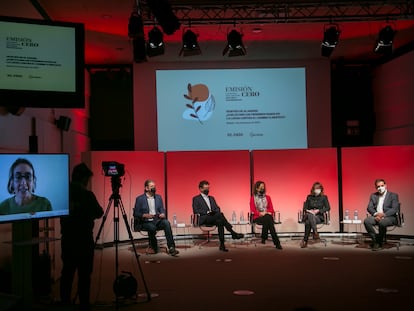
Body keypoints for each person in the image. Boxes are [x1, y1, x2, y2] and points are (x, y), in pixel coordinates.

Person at [59, 163, 104, 311]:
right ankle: (84, 304)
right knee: (84, 275)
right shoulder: (87, 195)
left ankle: (65, 302)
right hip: (84, 240)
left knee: (67, 272)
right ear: (84, 178)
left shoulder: (63, 193)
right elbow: (99, 212)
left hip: (68, 239)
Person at [192, 180, 244, 252]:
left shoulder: (211, 198)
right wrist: (207, 212)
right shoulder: (196, 199)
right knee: (220, 215)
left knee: (220, 221)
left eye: (208, 188)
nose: (207, 190)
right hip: (204, 219)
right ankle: (233, 233)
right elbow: (196, 211)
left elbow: (217, 208)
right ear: (200, 189)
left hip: (213, 217)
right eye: (205, 188)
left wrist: (214, 212)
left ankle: (222, 245)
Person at [133, 179, 179, 256]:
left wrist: (162, 213)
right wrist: (144, 215)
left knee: (166, 223)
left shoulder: (158, 197)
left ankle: (171, 247)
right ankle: (153, 247)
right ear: (146, 188)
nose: (154, 188)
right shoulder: (140, 199)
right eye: (152, 186)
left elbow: (162, 209)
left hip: (156, 220)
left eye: (154, 186)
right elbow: (135, 213)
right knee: (152, 227)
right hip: (145, 221)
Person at [363, 178, 400, 251]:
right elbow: (369, 207)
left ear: (385, 186)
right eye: (378, 187)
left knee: (382, 222)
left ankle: (379, 243)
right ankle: (376, 241)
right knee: (367, 221)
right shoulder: (373, 195)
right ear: (376, 188)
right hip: (376, 216)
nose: (380, 188)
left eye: (382, 186)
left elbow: (394, 209)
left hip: (389, 217)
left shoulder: (393, 195)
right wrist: (376, 214)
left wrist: (383, 215)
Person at [249, 181, 282, 249]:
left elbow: (272, 209)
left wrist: (266, 212)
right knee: (269, 219)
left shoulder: (268, 197)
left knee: (267, 218)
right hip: (257, 217)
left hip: (267, 216)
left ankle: (265, 238)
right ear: (257, 188)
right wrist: (260, 213)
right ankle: (276, 242)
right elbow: (252, 210)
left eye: (263, 187)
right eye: (261, 187)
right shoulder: (253, 198)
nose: (263, 188)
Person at [300, 181, 331, 248]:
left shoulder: (324, 197)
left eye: (319, 189)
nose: (317, 190)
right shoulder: (309, 197)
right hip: (310, 214)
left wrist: (319, 210)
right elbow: (305, 208)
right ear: (313, 189)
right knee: (310, 216)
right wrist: (310, 211)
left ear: (321, 189)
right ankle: (315, 232)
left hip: (319, 217)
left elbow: (328, 208)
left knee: (308, 221)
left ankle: (305, 241)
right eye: (316, 188)